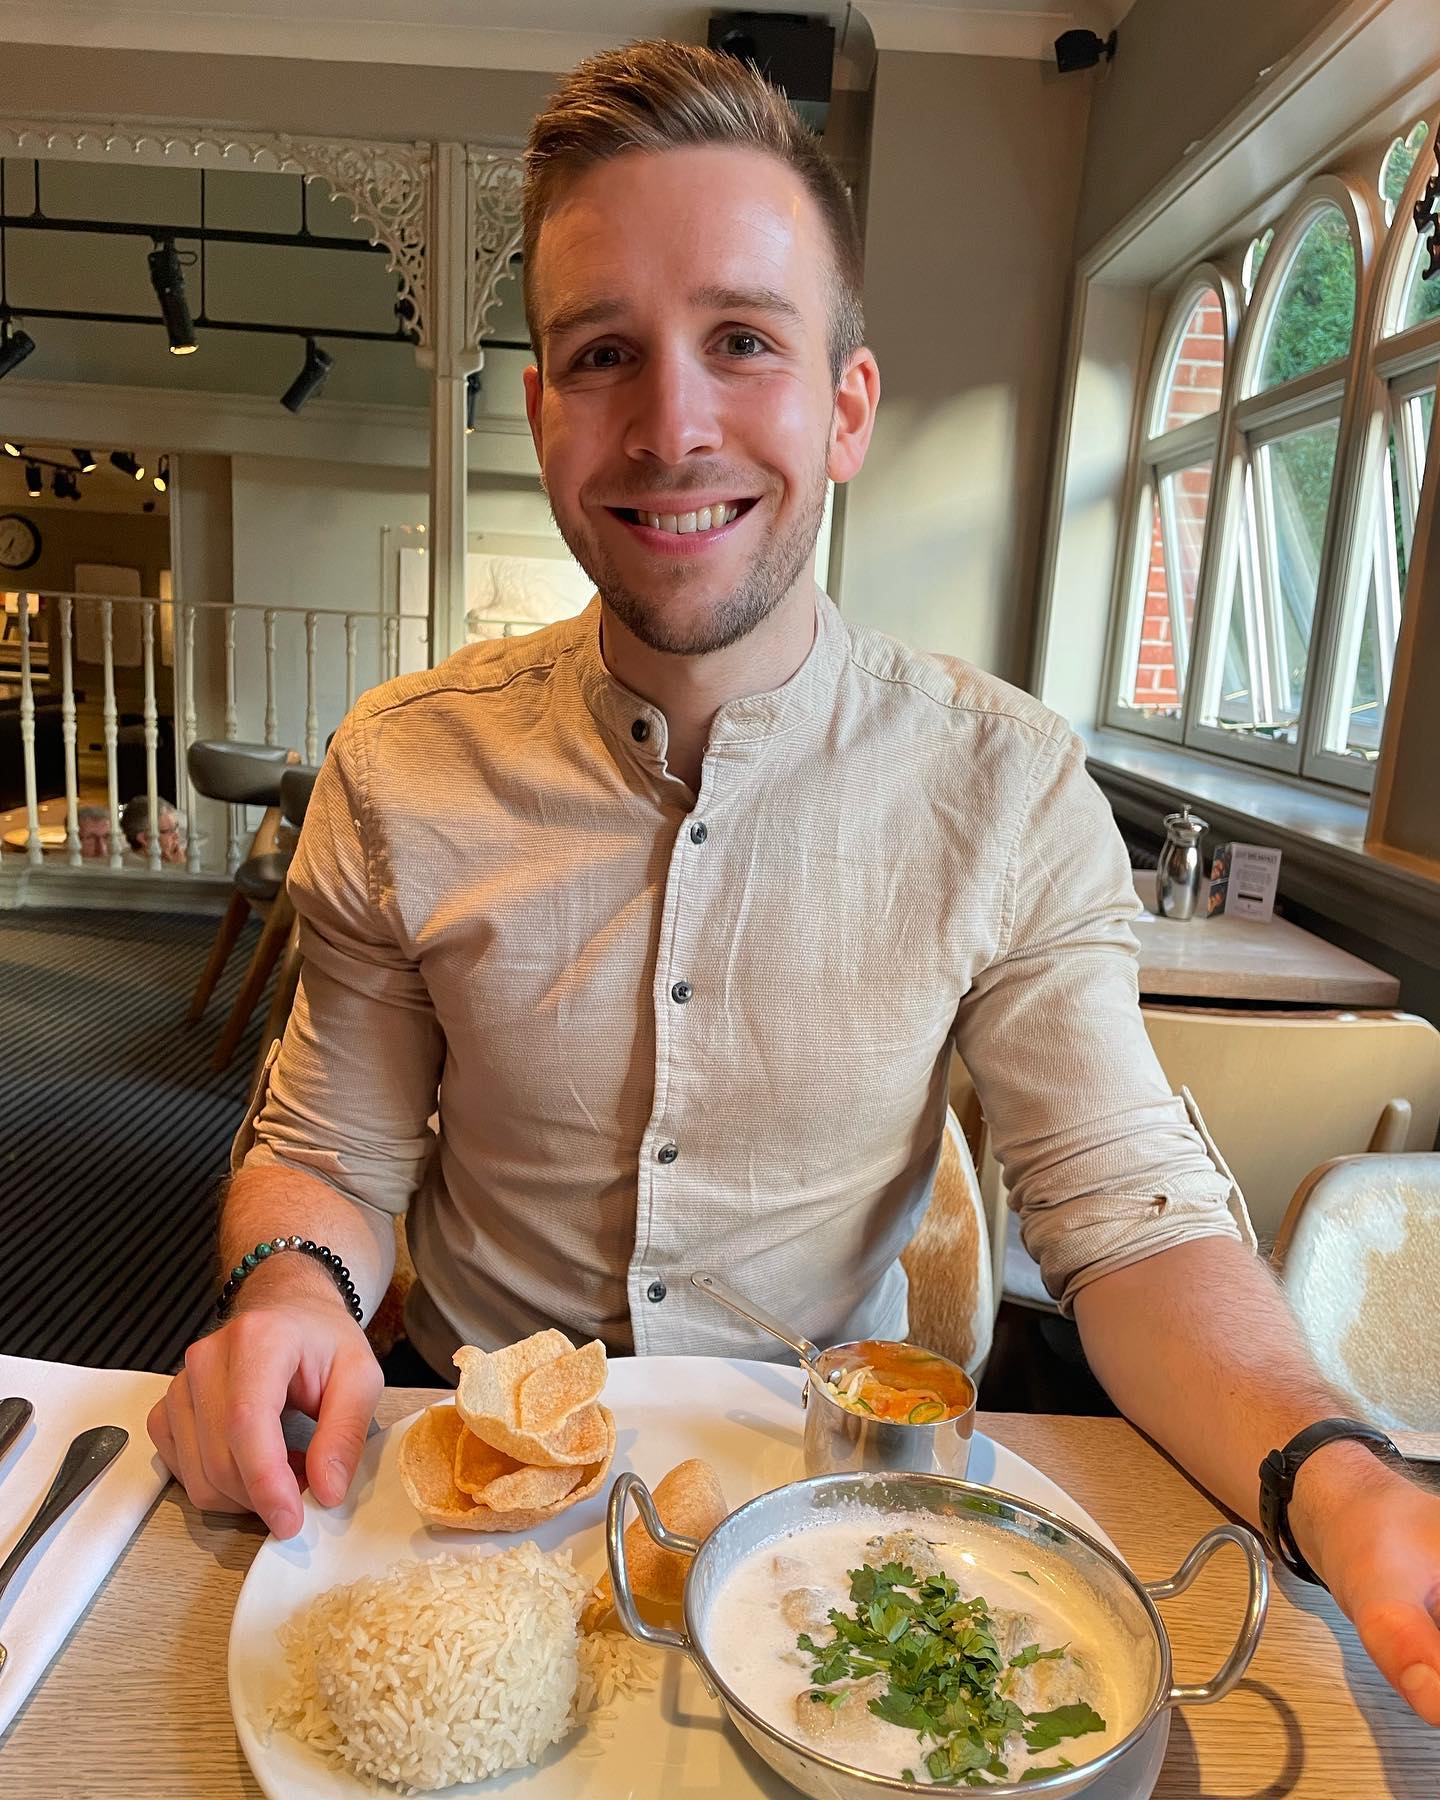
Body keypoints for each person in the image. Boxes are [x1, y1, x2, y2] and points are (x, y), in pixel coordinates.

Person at [149, 40, 1440, 1725]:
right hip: (452, 1459)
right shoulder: (405, 764)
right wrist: (286, 1298)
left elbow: (1125, 1216)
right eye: (603, 354)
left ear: (845, 407)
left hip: (832, 1490)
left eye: (743, 342)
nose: (672, 425)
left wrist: (1340, 1476)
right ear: (542, 416)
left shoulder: (1007, 779)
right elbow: (331, 1147)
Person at [120, 794, 185, 864]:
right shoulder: (133, 867)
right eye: (169, 831)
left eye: (176, 827)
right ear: (144, 838)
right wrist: (177, 866)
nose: (176, 836)